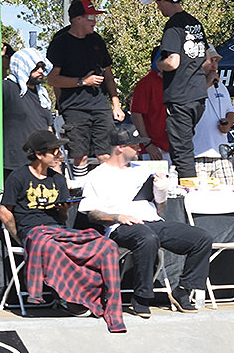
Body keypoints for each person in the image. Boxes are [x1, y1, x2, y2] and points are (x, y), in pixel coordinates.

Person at [0, 130, 126, 333]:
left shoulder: (58, 179)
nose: (59, 154)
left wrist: (65, 210)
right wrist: (21, 238)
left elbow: (64, 220)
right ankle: (72, 298)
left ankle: (99, 300)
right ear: (39, 154)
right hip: (34, 232)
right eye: (54, 150)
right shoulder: (18, 176)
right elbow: (5, 212)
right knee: (49, 245)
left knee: (105, 245)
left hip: (58, 230)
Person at [80, 125, 212, 317]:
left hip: (151, 220)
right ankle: (141, 297)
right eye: (135, 146)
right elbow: (91, 213)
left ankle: (183, 290)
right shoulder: (97, 175)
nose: (140, 150)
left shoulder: (141, 170)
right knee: (147, 238)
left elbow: (160, 207)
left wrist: (161, 189)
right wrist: (118, 217)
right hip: (120, 226)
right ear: (120, 148)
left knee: (201, 238)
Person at [44, 0, 123, 175]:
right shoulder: (60, 43)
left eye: (95, 17)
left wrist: (116, 105)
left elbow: (109, 76)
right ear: (77, 19)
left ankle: (108, 194)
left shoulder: (97, 40)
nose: (94, 21)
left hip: (101, 107)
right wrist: (82, 81)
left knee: (106, 154)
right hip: (75, 108)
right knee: (80, 156)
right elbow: (52, 79)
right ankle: (81, 194)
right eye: (90, 17)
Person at [142, 0, 210, 185]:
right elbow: (207, 61)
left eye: (158, 3)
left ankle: (188, 195)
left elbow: (172, 62)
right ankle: (189, 187)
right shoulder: (195, 23)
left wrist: (159, 65)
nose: (158, 7)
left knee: (181, 150)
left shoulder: (173, 26)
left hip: (180, 96)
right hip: (198, 95)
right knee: (186, 144)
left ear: (165, 0)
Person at [3, 47, 54, 180]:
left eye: (43, 67)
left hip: (40, 164)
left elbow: (48, 127)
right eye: (36, 67)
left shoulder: (42, 95)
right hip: (14, 165)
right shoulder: (7, 88)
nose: (41, 71)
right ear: (24, 66)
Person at [193, 57, 234, 187]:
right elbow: (189, 106)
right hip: (198, 154)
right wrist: (206, 84)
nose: (215, 66)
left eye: (216, 62)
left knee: (229, 193)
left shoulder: (221, 86)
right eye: (211, 61)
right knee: (199, 197)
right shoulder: (190, 85)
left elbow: (231, 111)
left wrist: (228, 122)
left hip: (222, 154)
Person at [129, 51, 169, 163]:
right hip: (154, 149)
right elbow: (136, 114)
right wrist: (148, 144)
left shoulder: (173, 82)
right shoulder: (146, 83)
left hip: (173, 146)